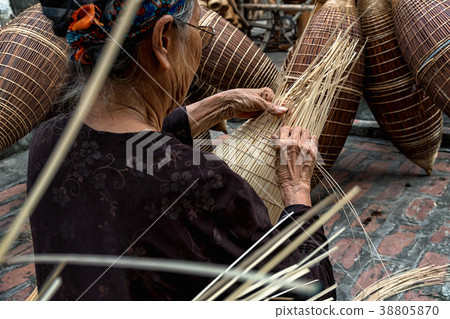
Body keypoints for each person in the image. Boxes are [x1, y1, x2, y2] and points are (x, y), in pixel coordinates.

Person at [29, 0, 335, 300]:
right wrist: (297, 192)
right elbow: (309, 297)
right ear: (163, 40)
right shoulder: (201, 183)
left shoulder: (48, 139)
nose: (200, 43)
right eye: (199, 30)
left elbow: (125, 148)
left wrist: (220, 105)